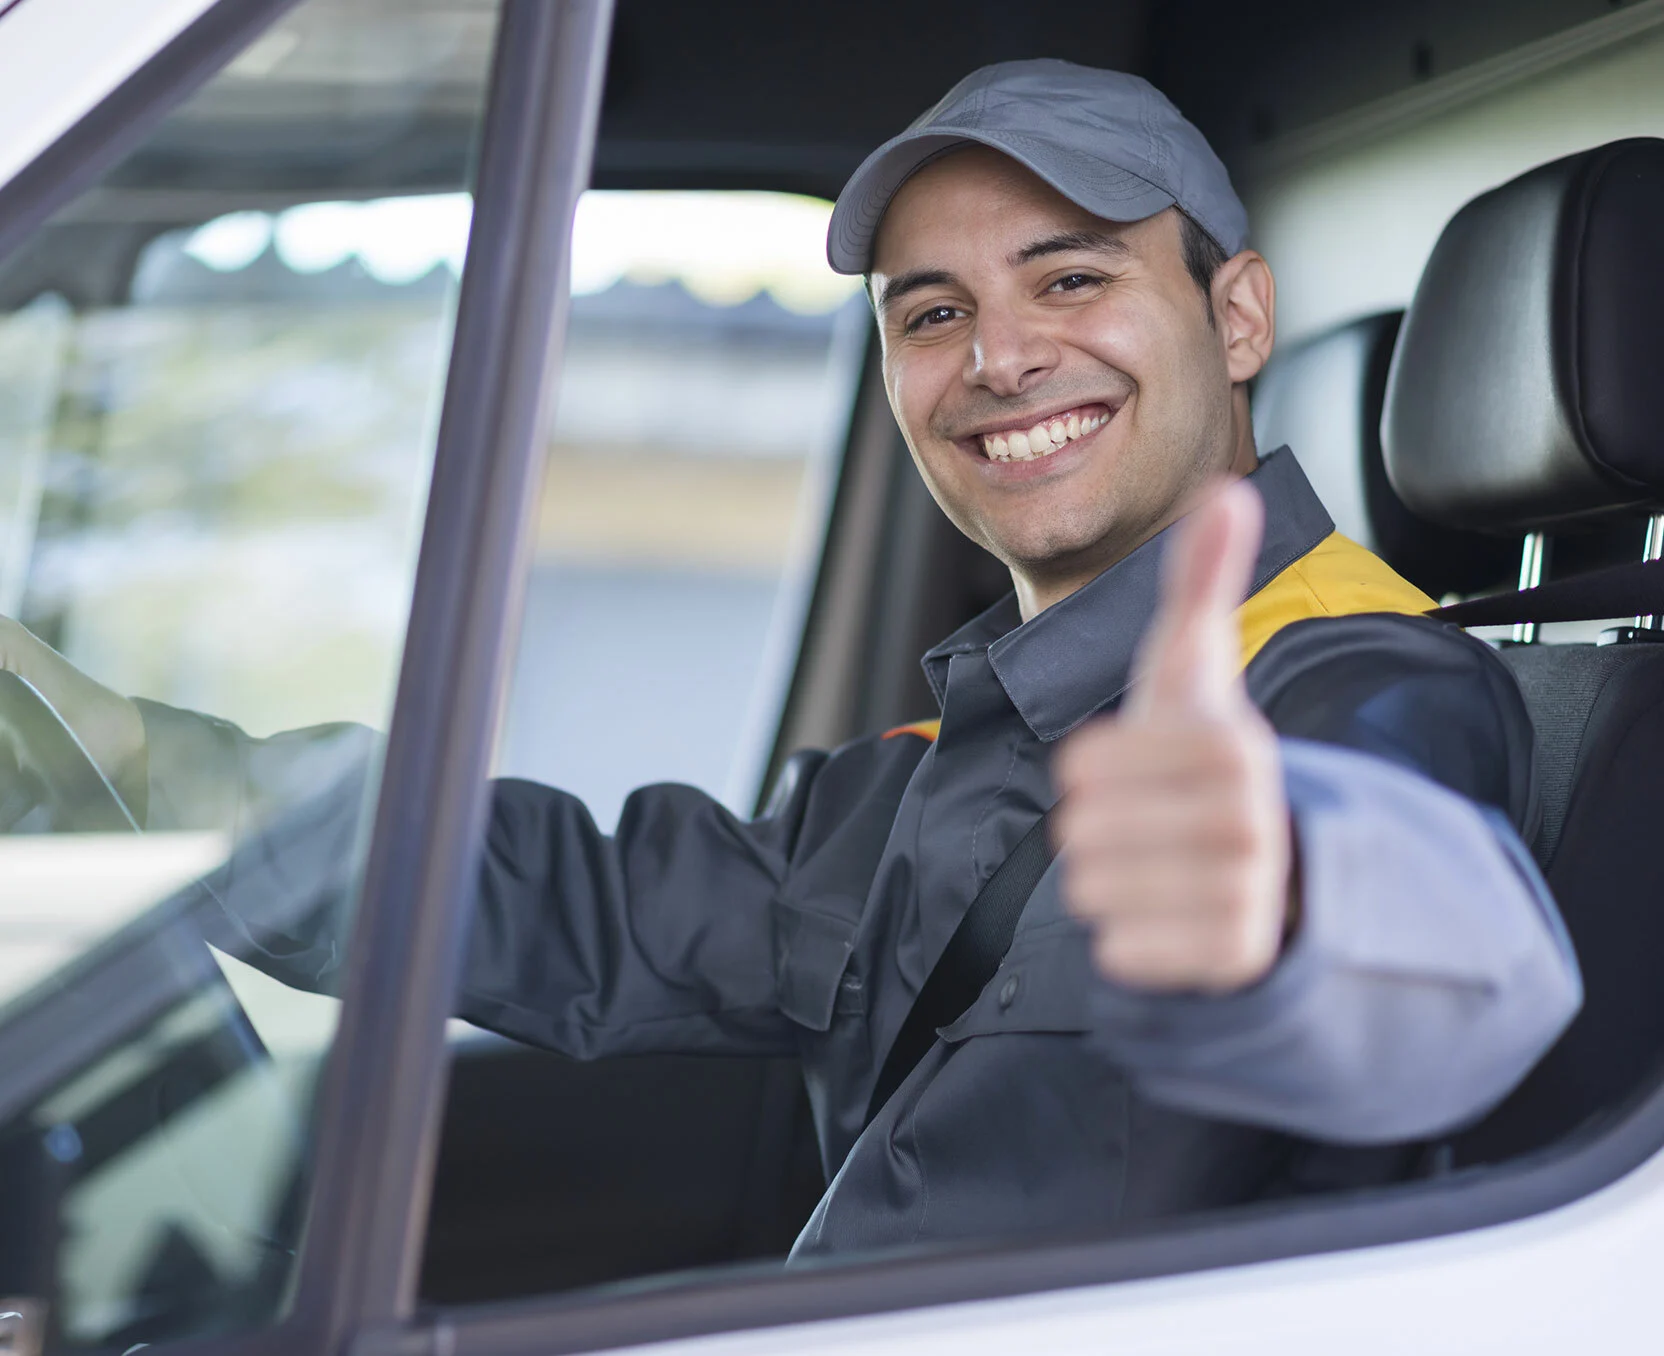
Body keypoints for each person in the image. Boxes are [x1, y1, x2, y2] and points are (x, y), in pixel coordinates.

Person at [0, 60, 1578, 1258]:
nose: (1000, 356)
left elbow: (1435, 955)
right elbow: (597, 909)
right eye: (931, 311)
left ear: (1237, 319)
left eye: (1075, 275)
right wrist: (162, 771)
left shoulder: (1354, 684)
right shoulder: (962, 751)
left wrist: (1293, 910)